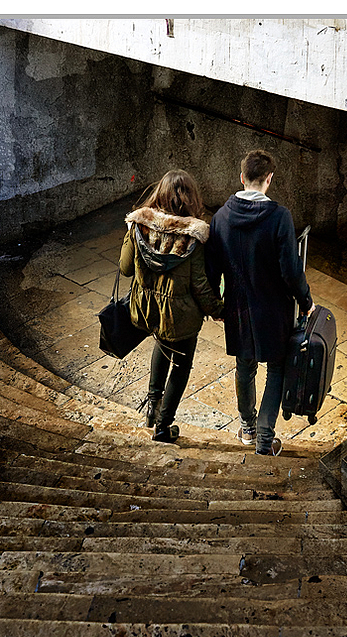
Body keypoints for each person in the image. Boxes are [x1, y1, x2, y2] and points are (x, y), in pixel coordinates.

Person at [206, 149, 313, 456]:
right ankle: (265, 439)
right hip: (273, 309)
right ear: (269, 179)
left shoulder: (220, 218)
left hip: (237, 308)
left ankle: (248, 428)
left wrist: (216, 304)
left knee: (244, 366)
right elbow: (291, 270)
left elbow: (211, 269)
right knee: (276, 369)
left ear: (242, 178)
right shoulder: (279, 217)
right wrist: (305, 300)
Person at [120, 169, 224, 443]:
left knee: (162, 343)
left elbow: (125, 268)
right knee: (180, 365)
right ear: (191, 197)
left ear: (160, 193)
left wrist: (131, 235)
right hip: (181, 317)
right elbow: (200, 285)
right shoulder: (194, 237)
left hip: (148, 309)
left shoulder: (139, 225)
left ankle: (152, 409)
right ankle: (163, 427)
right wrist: (218, 310)